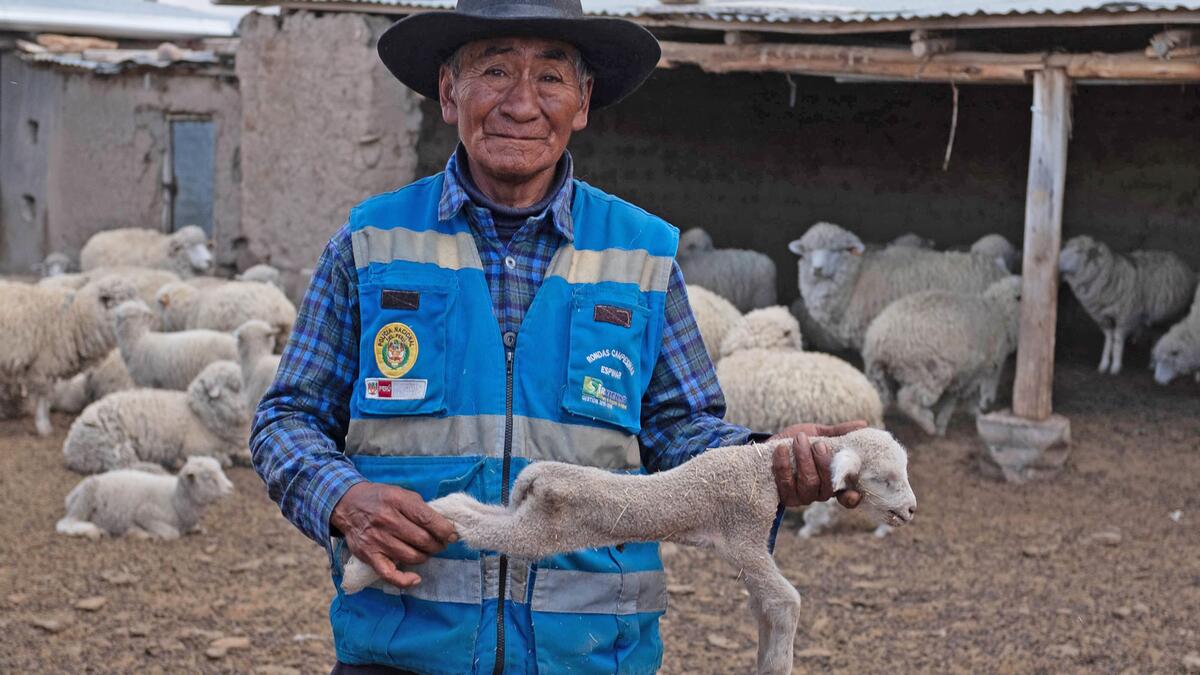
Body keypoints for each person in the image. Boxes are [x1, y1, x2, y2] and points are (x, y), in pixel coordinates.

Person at [250, 1, 863, 673]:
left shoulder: (642, 256)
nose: (521, 102)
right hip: (403, 650)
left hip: (592, 655)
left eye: (550, 76)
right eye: (494, 69)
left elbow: (679, 432)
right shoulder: (371, 244)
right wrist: (341, 497)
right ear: (450, 92)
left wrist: (764, 461)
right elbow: (288, 417)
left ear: (583, 101)